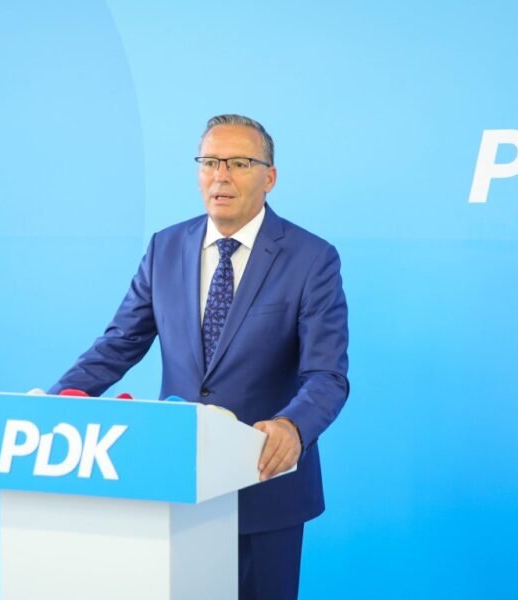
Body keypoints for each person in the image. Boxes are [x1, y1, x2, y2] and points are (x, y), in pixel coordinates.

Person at [49, 114, 349, 600]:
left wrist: (292, 427)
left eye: (239, 163)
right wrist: (57, 400)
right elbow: (120, 342)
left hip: (264, 485)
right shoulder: (165, 247)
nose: (220, 175)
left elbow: (327, 375)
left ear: (269, 177)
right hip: (175, 478)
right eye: (210, 162)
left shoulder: (311, 258)